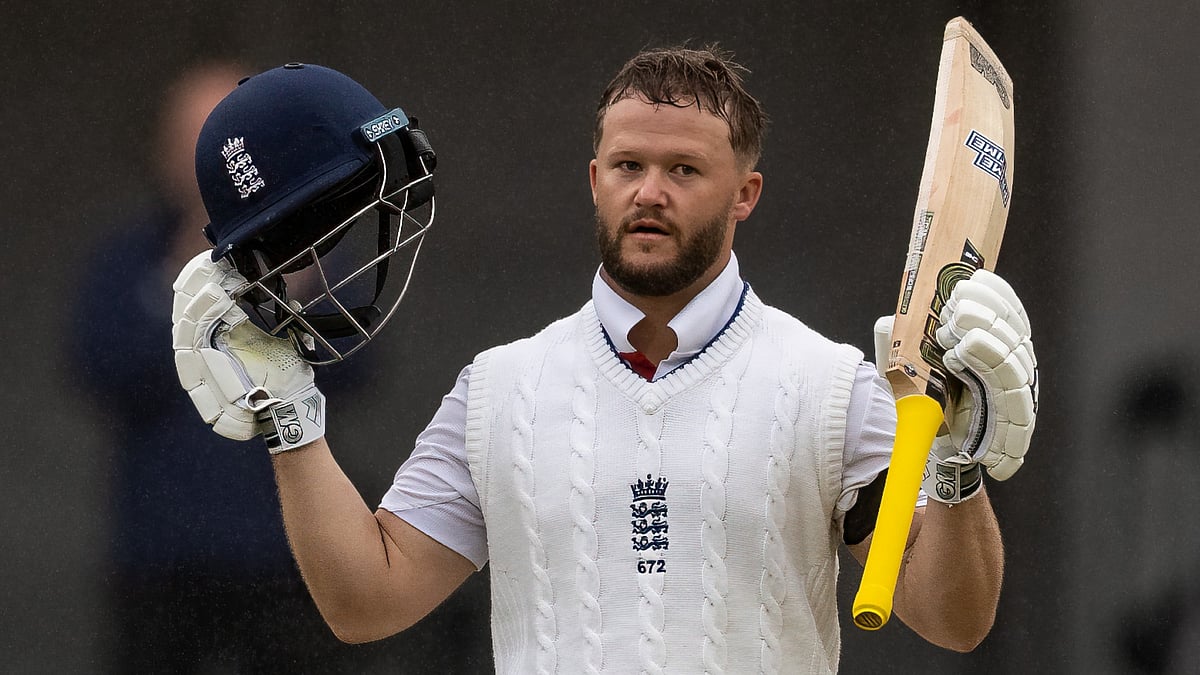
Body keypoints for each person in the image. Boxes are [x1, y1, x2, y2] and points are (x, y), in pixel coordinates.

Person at [170, 48, 1038, 673]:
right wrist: (289, 417)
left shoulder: (826, 385)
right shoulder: (500, 391)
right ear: (595, 178)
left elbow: (950, 618)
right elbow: (367, 601)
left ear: (746, 194)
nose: (649, 191)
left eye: (684, 169)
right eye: (628, 165)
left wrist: (958, 470)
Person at [73, 62, 401, 673]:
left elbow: (359, 368)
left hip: (286, 547)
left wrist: (293, 300)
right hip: (162, 549)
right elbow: (100, 369)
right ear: (164, 152)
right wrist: (185, 298)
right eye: (189, 141)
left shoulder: (311, 251)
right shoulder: (128, 256)